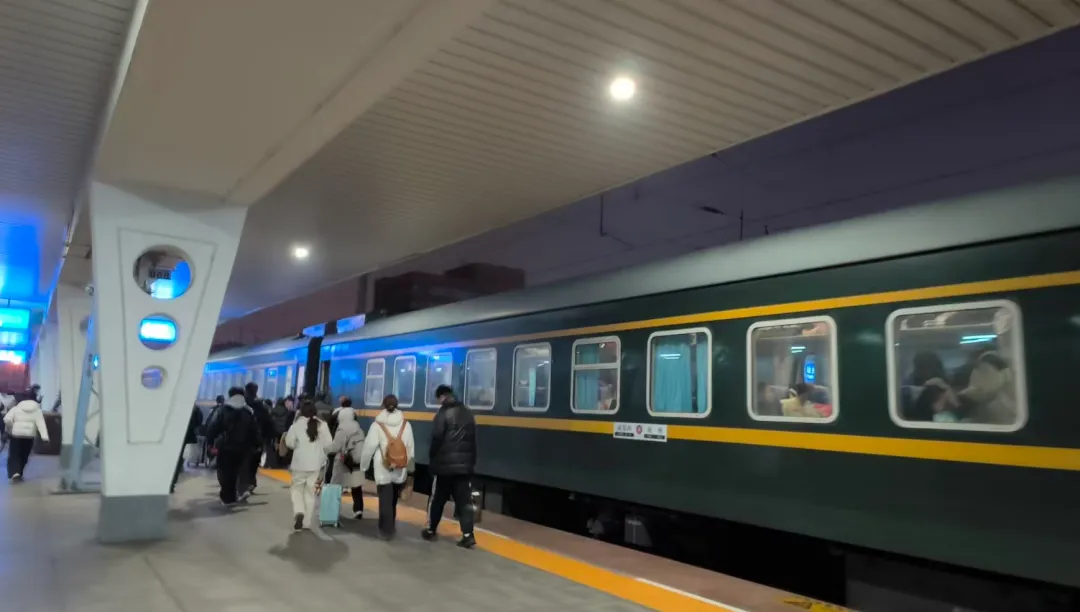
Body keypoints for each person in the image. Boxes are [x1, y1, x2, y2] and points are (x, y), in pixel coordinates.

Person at [422, 385, 477, 549]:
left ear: (441, 397)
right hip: (464, 467)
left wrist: (432, 460)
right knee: (465, 502)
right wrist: (471, 463)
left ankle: (431, 530)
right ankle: (468, 535)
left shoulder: (442, 413)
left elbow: (436, 438)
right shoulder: (468, 413)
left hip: (444, 468)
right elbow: (473, 440)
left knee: (437, 500)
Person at [360, 394, 415, 539]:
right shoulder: (406, 424)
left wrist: (364, 466)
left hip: (383, 467)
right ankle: (391, 526)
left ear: (383, 405)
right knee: (393, 500)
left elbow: (369, 447)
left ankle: (386, 530)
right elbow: (410, 448)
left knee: (384, 499)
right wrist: (409, 467)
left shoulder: (377, 425)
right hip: (400, 468)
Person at [205, 387, 259, 506]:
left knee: (224, 472)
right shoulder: (248, 411)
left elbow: (213, 428)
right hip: (242, 449)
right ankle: (231, 496)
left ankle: (227, 497)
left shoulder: (224, 410)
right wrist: (256, 445)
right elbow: (254, 431)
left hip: (225, 447)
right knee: (234, 472)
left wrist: (210, 442)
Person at [283, 401, 332, 531]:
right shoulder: (323, 425)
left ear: (301, 412)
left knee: (296, 490)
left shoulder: (296, 426)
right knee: (310, 493)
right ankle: (306, 522)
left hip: (299, 464)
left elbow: (289, 443)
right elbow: (328, 444)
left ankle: (299, 511)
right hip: (315, 464)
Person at [328, 401, 366, 519]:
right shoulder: (359, 429)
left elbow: (335, 447)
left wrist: (325, 449)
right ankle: (358, 509)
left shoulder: (342, 429)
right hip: (357, 461)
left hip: (343, 461)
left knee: (336, 485)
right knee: (356, 485)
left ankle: (333, 510)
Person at [4, 391, 49, 482]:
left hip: (16, 435)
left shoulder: (16, 408)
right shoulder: (37, 411)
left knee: (14, 454)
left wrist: (11, 427)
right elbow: (41, 424)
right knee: (24, 455)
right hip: (29, 436)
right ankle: (19, 472)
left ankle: (15, 473)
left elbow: (7, 419)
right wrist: (45, 437)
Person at [172, 404, 204, 493]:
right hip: (186, 435)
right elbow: (199, 422)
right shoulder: (196, 409)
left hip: (174, 434)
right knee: (178, 458)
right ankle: (172, 482)